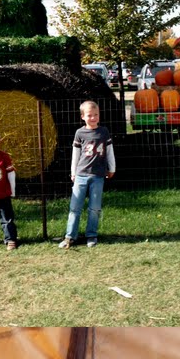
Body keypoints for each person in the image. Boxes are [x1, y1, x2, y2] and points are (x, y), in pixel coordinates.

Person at [59, 101, 116, 249]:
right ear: (83, 116)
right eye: (89, 115)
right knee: (75, 207)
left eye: (96, 115)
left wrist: (112, 168)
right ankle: (70, 237)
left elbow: (109, 151)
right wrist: (73, 173)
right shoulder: (80, 133)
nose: (93, 118)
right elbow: (75, 154)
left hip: (98, 176)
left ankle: (91, 235)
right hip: (81, 175)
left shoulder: (104, 132)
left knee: (95, 208)